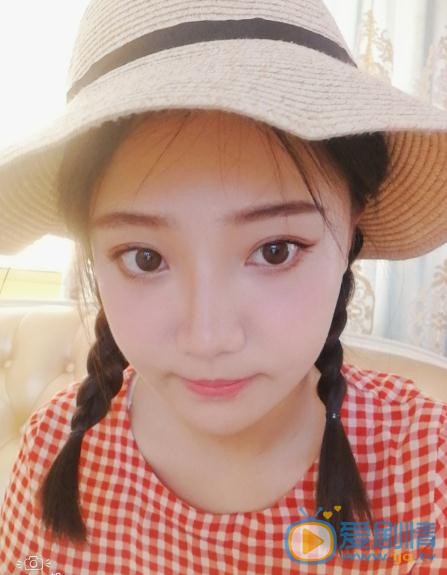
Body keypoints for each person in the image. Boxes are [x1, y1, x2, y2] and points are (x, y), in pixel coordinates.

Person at [0, 1, 446, 573]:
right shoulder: (56, 446)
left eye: (275, 250)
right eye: (144, 258)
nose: (208, 338)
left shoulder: (427, 470)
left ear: (352, 230)